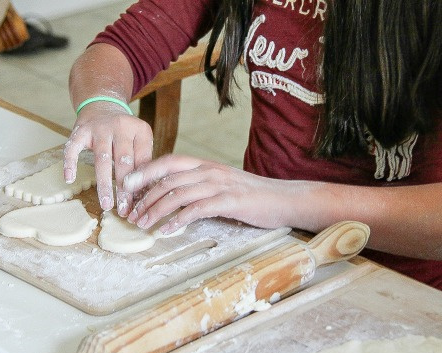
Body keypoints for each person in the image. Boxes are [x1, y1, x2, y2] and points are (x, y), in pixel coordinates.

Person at [64, 0, 442, 290]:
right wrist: (102, 104)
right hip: (267, 252)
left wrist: (287, 200)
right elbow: (122, 45)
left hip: (395, 283)